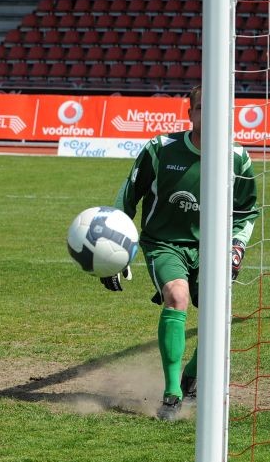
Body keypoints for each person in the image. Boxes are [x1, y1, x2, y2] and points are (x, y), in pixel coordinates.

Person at [103, 85, 259, 421]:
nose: (209, 113)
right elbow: (127, 197)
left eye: (217, 107)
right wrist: (113, 252)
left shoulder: (237, 158)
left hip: (214, 246)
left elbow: (246, 212)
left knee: (218, 314)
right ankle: (172, 393)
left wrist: (236, 247)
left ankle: (193, 376)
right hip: (165, 242)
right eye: (202, 107)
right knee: (177, 295)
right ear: (190, 113)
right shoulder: (161, 149)